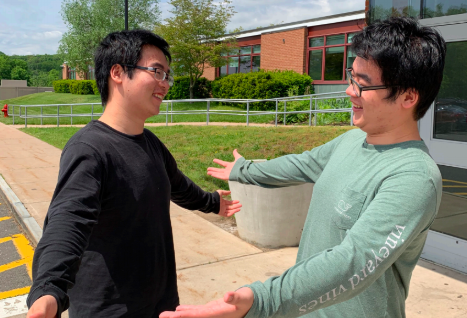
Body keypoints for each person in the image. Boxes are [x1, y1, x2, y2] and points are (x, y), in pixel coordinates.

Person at [160, 17, 446, 318]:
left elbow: (355, 261)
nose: (349, 92)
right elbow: (300, 164)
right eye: (351, 78)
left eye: (362, 85)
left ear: (408, 96)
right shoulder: (351, 141)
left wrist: (263, 301)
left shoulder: (414, 178)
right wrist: (244, 170)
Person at [26, 30, 241, 318]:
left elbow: (178, 186)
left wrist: (213, 202)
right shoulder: (89, 149)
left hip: (160, 303)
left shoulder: (150, 143)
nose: (165, 83)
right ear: (117, 72)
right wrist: (48, 288)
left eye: (167, 75)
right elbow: (68, 220)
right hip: (110, 310)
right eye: (156, 71)